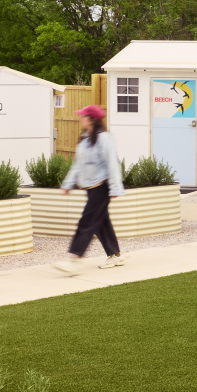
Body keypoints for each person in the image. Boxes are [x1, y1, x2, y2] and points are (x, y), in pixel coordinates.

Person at [56, 105, 126, 273]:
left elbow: (112, 163)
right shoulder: (85, 139)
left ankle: (74, 259)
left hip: (102, 187)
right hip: (90, 187)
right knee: (101, 222)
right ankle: (115, 255)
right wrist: (68, 184)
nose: (80, 119)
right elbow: (77, 165)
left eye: (83, 116)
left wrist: (116, 188)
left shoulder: (104, 139)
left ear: (92, 119)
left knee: (86, 222)